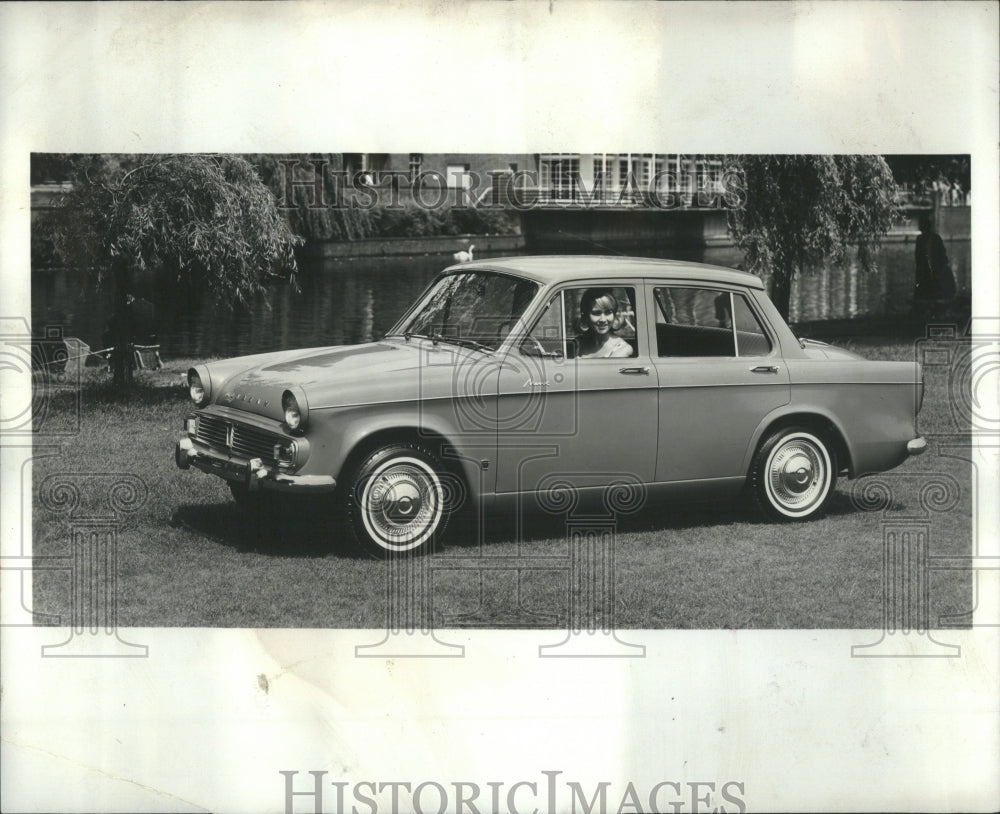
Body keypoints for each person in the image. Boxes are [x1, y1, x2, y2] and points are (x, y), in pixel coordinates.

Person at [914, 213, 956, 319]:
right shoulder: (935, 238)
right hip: (933, 273)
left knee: (926, 291)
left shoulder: (921, 239)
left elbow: (918, 258)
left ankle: (927, 312)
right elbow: (942, 255)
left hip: (926, 274)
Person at [574, 288, 633, 358]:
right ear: (586, 315)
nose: (603, 319)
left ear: (614, 315)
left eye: (608, 313)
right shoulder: (578, 344)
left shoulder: (622, 349)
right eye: (596, 313)